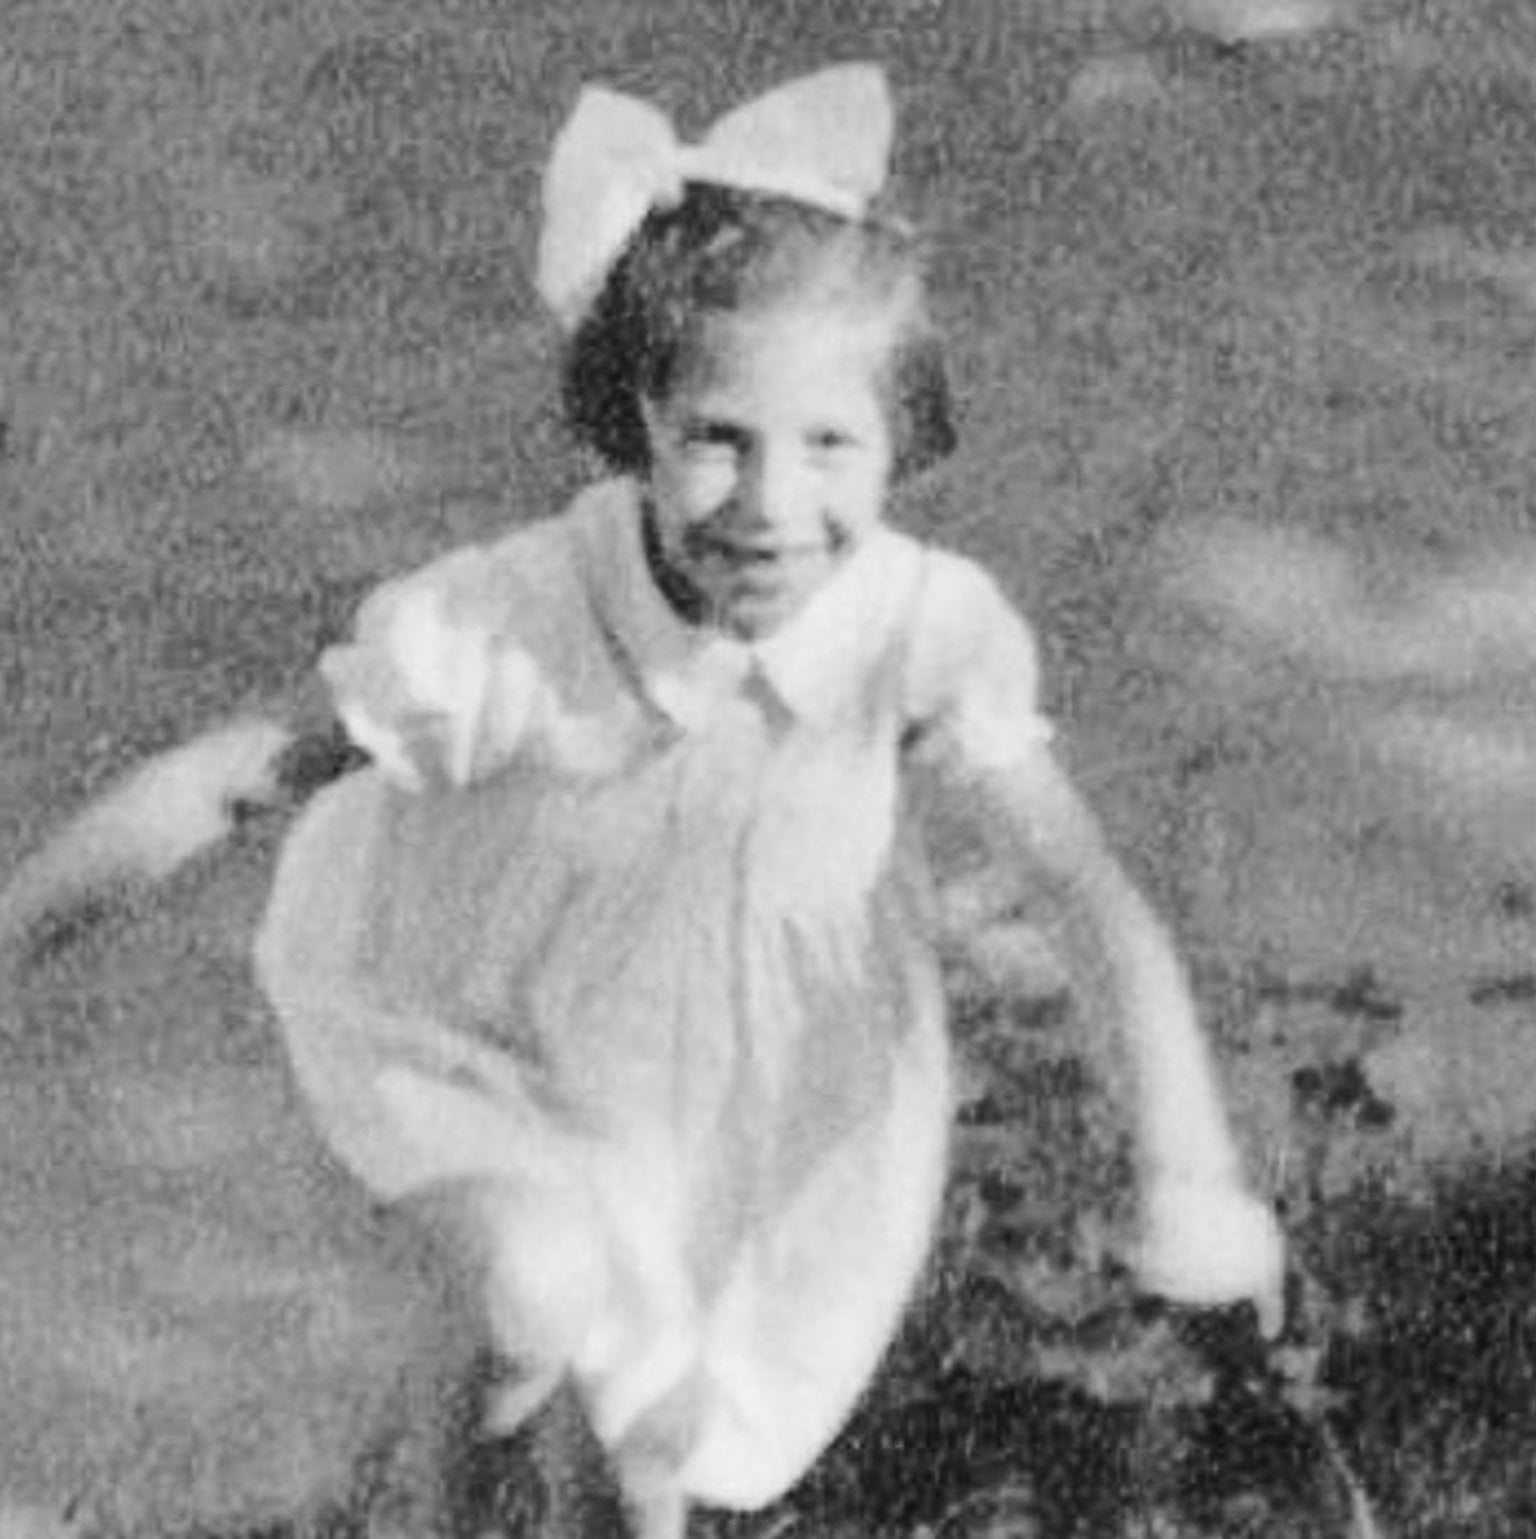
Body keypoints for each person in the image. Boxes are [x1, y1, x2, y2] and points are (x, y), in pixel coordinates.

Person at [5, 64, 1284, 1539]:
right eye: (720, 439)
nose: (769, 505)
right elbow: (239, 776)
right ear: (637, 419)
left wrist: (1188, 1161)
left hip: (732, 1091)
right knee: (535, 1288)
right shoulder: (510, 626)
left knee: (646, 1459)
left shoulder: (919, 629)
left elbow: (1079, 883)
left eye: (830, 446)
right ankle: (428, 1509)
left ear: (901, 442)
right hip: (479, 1027)